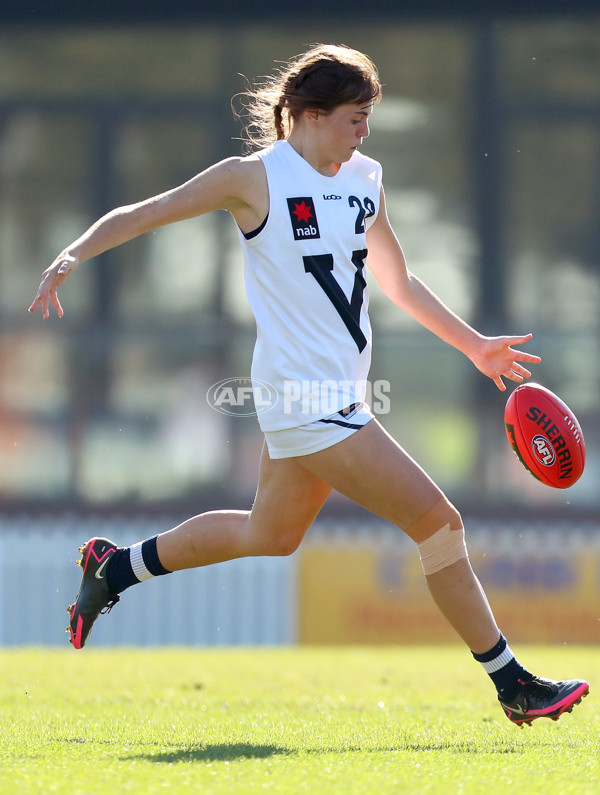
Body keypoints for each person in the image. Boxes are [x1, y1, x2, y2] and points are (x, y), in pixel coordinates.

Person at [30, 44, 588, 727]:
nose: (364, 133)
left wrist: (472, 344)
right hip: (304, 399)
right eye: (356, 118)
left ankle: (115, 568)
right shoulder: (253, 178)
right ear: (308, 115)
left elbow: (398, 282)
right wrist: (72, 253)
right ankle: (512, 682)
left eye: (368, 119)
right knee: (439, 524)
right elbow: (149, 211)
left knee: (271, 533)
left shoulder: (365, 180)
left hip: (340, 397)